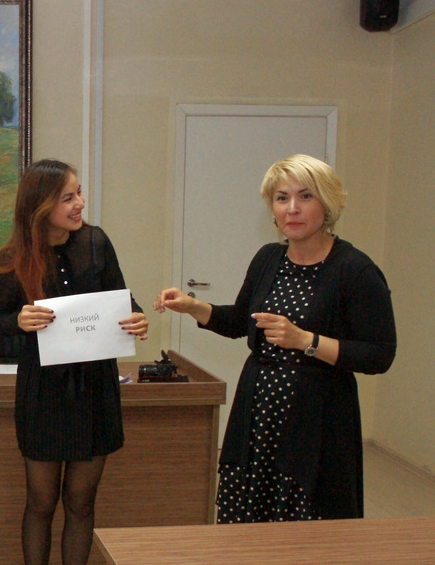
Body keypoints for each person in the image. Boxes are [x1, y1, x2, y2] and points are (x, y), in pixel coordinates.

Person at [154, 153, 396, 522]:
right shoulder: (269, 258)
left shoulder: (355, 269)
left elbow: (379, 354)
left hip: (318, 419)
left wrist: (306, 341)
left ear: (328, 205)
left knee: (307, 525)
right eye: (282, 198)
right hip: (258, 411)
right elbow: (241, 321)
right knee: (250, 520)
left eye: (305, 196)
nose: (292, 209)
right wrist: (192, 306)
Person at [0, 159, 148, 565]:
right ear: (40, 206)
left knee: (81, 501)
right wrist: (19, 320)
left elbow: (123, 300)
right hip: (44, 392)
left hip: (94, 388)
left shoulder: (96, 241)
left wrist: (137, 318)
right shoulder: (15, 256)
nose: (80, 203)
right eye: (68, 198)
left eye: (79, 193)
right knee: (41, 502)